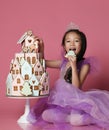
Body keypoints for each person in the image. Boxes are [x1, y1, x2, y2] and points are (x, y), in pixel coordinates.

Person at [27, 27, 109, 129]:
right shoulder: (63, 63)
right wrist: (42, 49)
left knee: (76, 121)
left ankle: (90, 118)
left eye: (76, 41)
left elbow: (76, 87)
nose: (72, 43)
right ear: (64, 46)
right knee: (45, 115)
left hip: (77, 100)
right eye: (68, 41)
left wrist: (74, 65)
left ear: (82, 45)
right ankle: (68, 117)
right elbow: (42, 63)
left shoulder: (85, 65)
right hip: (61, 102)